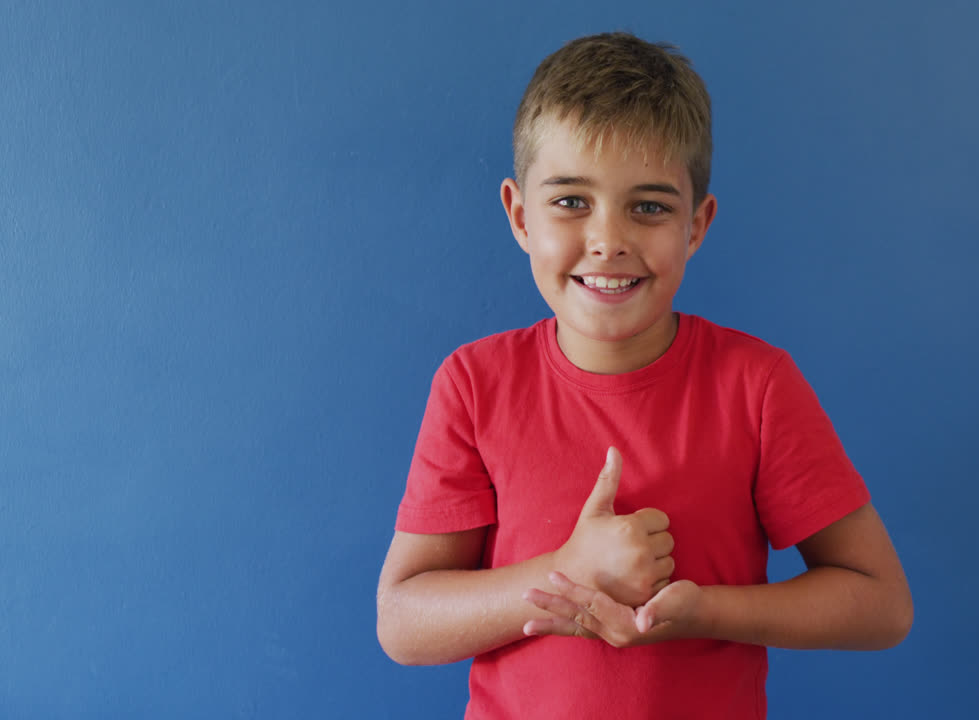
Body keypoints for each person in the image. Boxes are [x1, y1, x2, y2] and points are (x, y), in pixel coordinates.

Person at [376, 31, 912, 719]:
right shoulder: (474, 384)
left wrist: (704, 611)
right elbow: (403, 621)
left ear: (696, 225)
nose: (609, 239)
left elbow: (880, 604)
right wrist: (568, 572)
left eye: (650, 207)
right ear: (519, 214)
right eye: (571, 201)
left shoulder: (757, 385)